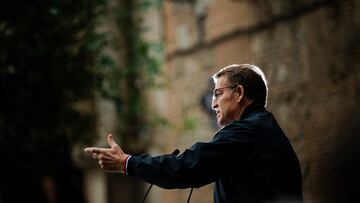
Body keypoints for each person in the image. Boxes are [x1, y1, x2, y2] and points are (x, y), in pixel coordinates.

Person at [84, 64, 303, 203]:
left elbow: (187, 167)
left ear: (239, 93)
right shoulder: (262, 129)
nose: (213, 103)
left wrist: (127, 163)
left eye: (217, 93)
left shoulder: (248, 132)